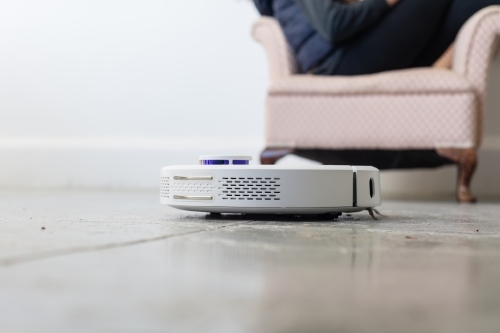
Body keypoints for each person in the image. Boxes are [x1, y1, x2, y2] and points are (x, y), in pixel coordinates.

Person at [254, 0, 500, 75]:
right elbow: (334, 25)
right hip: (337, 62)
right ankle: (440, 67)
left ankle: (442, 65)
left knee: (474, 3)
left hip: (356, 48)